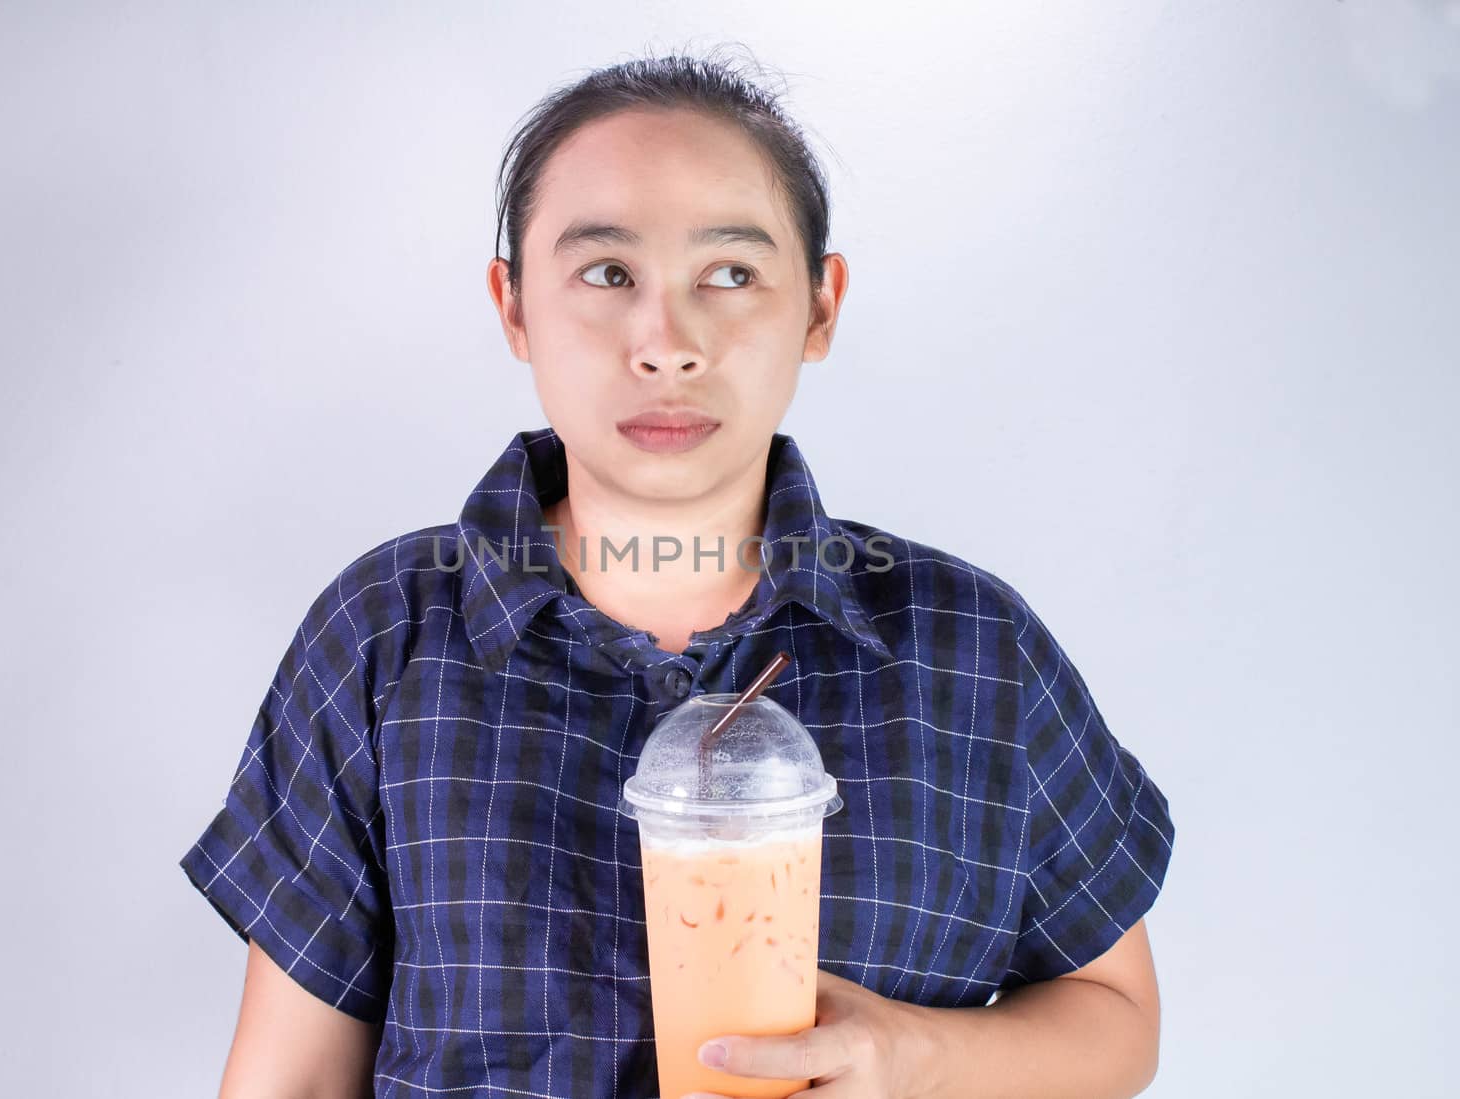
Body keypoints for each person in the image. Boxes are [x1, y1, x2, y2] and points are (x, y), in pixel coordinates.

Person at [178, 47, 1175, 1099]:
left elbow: (1116, 1017)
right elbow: (291, 1075)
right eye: (607, 274)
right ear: (513, 305)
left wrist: (904, 1056)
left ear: (819, 306)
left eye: (730, 273)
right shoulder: (386, 638)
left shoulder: (973, 651)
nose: (668, 342)